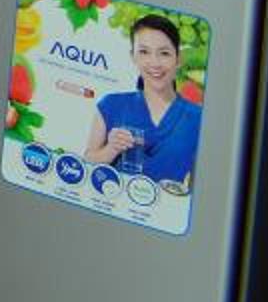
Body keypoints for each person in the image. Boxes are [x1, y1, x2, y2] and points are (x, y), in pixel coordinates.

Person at [84, 13, 202, 186]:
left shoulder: (199, 118)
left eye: (164, 53)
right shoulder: (111, 105)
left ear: (178, 59)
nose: (154, 63)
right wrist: (110, 150)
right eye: (144, 52)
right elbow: (86, 164)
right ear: (133, 57)